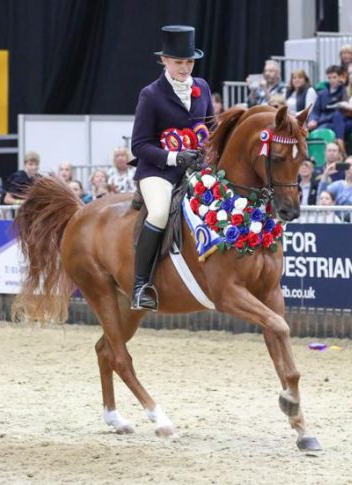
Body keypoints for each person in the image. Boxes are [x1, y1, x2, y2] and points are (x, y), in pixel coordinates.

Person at [129, 25, 212, 310]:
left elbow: (209, 128)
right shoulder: (150, 95)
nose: (185, 67)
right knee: (161, 212)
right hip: (158, 171)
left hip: (195, 169)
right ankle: (141, 286)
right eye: (179, 62)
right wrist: (174, 158)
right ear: (164, 60)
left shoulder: (202, 88)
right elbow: (139, 146)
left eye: (189, 61)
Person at [307, 65, 345, 131]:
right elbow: (315, 111)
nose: (332, 80)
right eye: (329, 78)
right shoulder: (322, 94)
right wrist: (313, 120)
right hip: (320, 122)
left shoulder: (344, 92)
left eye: (334, 77)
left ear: (340, 77)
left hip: (333, 123)